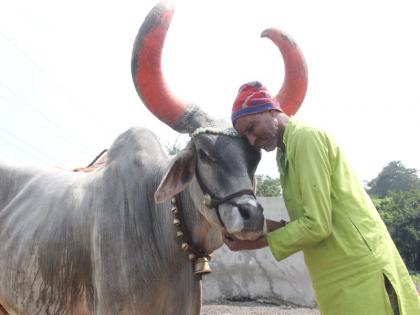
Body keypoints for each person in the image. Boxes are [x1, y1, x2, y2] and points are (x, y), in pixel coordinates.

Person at [224, 81, 420, 315]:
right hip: (334, 277)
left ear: (269, 109)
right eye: (245, 135)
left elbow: (317, 225)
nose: (252, 140)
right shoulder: (284, 155)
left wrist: (254, 243)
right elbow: (306, 223)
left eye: (251, 126)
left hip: (358, 271)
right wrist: (255, 229)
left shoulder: (305, 139)